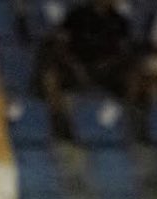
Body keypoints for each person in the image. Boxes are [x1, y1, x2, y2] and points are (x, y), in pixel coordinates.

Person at [34, 0, 137, 140]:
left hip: (106, 70)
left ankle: (127, 125)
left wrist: (106, 65)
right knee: (50, 77)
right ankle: (59, 123)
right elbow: (61, 43)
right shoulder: (78, 15)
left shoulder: (119, 20)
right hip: (75, 66)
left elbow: (124, 51)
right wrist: (75, 65)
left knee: (133, 78)